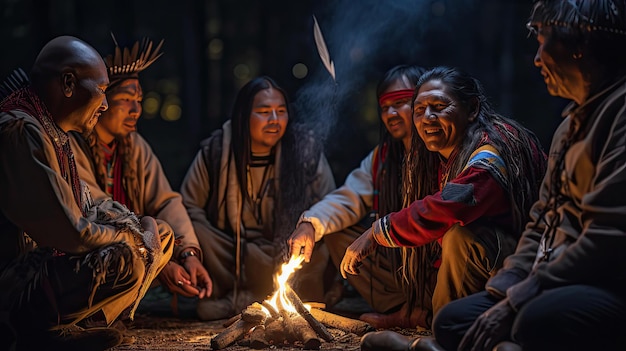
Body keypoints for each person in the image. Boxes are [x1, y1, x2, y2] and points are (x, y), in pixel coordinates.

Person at [363, 1, 626, 350]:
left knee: (533, 316)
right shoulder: (570, 126)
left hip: (598, 281)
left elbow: (607, 239)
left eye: (544, 42)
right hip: (542, 271)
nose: (537, 58)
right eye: (421, 109)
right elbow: (542, 220)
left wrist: (522, 294)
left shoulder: (615, 119)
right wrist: (511, 284)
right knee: (451, 320)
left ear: (579, 46)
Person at [351, 66, 547, 347]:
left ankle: (443, 338)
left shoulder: (491, 151)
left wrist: (378, 232)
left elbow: (449, 207)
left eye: (439, 107)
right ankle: (437, 323)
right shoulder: (442, 156)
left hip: (533, 264)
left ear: (472, 108)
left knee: (461, 237)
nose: (427, 118)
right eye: (419, 110)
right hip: (504, 264)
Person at [0, 36, 173, 351]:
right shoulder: (22, 130)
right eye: (103, 91)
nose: (105, 105)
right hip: (16, 284)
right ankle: (41, 331)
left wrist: (141, 224)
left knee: (161, 233)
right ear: (68, 83)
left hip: (55, 260)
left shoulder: (55, 131)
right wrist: (130, 236)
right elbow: (73, 233)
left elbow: (89, 205)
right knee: (127, 258)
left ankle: (80, 322)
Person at [70, 36, 211, 314]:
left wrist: (189, 254)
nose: (136, 110)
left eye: (139, 100)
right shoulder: (74, 143)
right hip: (92, 251)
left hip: (138, 250)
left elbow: (165, 202)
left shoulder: (134, 146)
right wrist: (156, 262)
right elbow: (95, 210)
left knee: (167, 231)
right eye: (125, 100)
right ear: (101, 100)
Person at [288, 65, 434, 329]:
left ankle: (428, 309)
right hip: (401, 266)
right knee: (336, 233)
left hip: (439, 267)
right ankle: (402, 308)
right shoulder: (382, 158)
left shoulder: (441, 150)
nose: (390, 113)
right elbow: (349, 198)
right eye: (384, 107)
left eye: (400, 103)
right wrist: (309, 223)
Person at [180, 76, 336, 320]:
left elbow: (330, 202)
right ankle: (241, 295)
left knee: (325, 233)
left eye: (281, 111)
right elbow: (189, 206)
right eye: (264, 112)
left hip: (288, 248)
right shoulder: (217, 150)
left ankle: (265, 299)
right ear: (244, 116)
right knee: (195, 227)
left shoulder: (304, 148)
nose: (274, 120)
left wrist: (309, 226)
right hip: (232, 255)